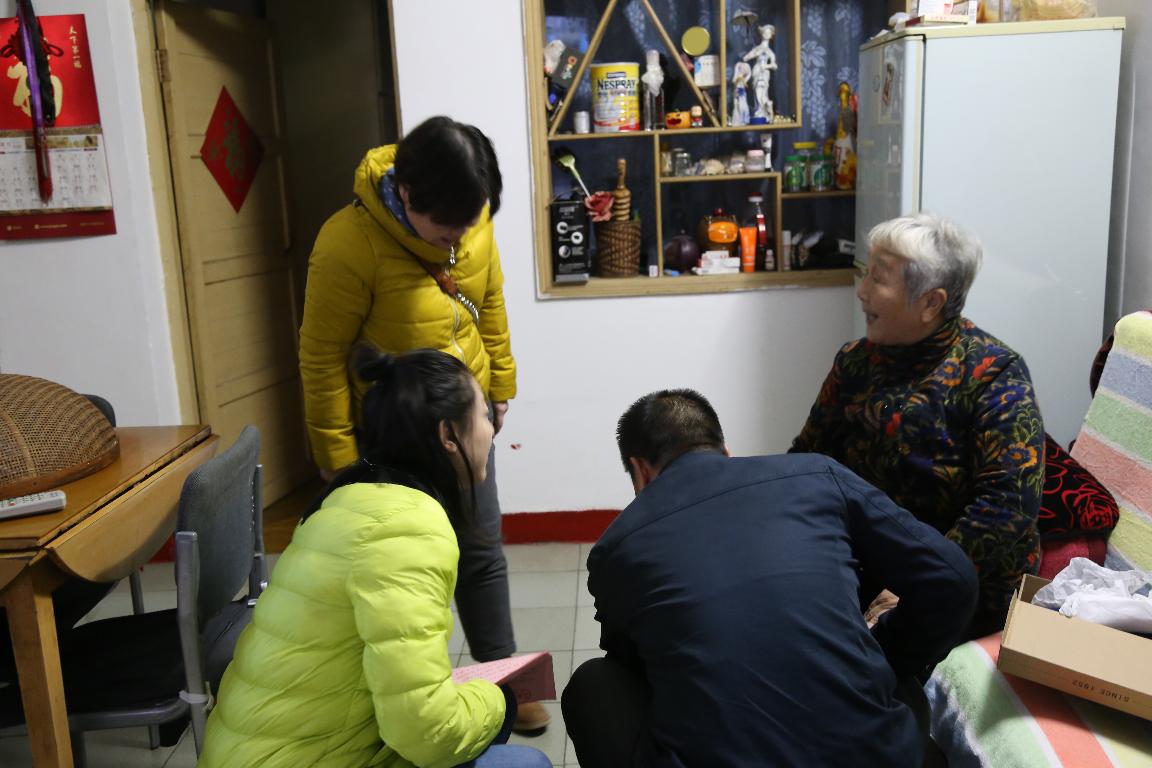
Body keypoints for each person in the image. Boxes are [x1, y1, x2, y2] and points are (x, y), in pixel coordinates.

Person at [562, 389, 978, 768]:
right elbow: (951, 578)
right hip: (878, 755)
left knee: (594, 684)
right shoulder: (818, 475)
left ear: (640, 471)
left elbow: (632, 664)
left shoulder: (617, 547)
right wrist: (887, 652)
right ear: (725, 451)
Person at [298, 116, 547, 731]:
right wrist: (336, 457)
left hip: (465, 419)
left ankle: (504, 681)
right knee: (399, 571)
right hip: (395, 438)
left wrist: (500, 386)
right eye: (446, 225)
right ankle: (405, 697)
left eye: (470, 219)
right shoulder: (346, 244)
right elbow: (321, 357)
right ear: (405, 193)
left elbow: (490, 302)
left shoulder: (469, 213)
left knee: (481, 549)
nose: (459, 235)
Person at [199, 349, 551, 768]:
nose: (491, 432)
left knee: (489, 719)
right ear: (448, 435)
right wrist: (497, 698)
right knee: (526, 759)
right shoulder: (408, 532)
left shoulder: (347, 499)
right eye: (483, 416)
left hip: (263, 749)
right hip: (299, 758)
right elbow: (428, 732)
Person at [791, 212, 1045, 640]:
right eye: (866, 275)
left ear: (931, 302)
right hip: (861, 566)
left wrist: (917, 584)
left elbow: (1006, 508)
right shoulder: (854, 362)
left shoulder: (994, 374)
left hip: (959, 583)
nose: (862, 292)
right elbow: (807, 463)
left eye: (878, 279)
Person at [742, 23, 777, 123]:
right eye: (765, 32)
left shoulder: (770, 52)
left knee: (763, 92)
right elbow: (745, 58)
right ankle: (759, 111)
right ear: (762, 34)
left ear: (771, 35)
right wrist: (755, 53)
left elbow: (775, 66)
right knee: (757, 91)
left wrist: (766, 66)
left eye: (769, 33)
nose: (766, 34)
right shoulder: (757, 48)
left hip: (765, 73)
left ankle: (764, 112)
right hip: (757, 71)